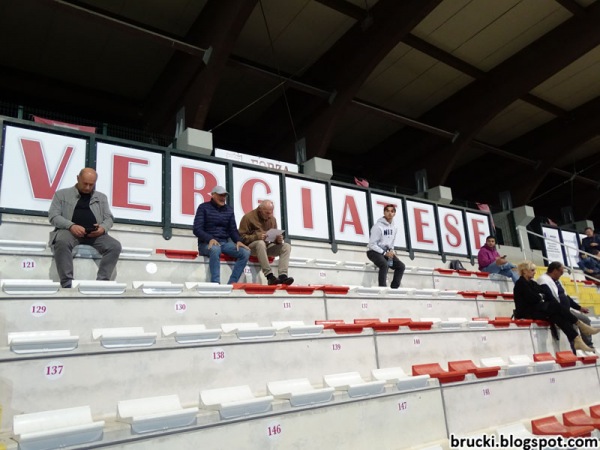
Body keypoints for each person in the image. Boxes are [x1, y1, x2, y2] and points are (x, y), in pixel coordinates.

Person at [48, 167, 122, 288]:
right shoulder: (61, 194)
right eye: (85, 183)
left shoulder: (101, 197)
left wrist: (102, 228)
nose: (88, 187)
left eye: (91, 185)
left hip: (95, 234)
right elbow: (53, 216)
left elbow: (109, 218)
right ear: (78, 178)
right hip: (69, 232)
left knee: (114, 246)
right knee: (61, 241)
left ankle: (102, 283)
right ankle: (67, 283)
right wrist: (71, 225)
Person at [513, 261, 598, 353]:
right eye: (532, 270)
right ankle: (580, 325)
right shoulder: (520, 283)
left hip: (536, 309)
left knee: (557, 316)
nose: (535, 272)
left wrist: (541, 294)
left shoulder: (532, 283)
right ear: (525, 271)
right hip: (526, 312)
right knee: (554, 305)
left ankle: (576, 339)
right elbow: (534, 298)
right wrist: (541, 295)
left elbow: (544, 291)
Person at [193, 185, 250, 284]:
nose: (223, 198)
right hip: (206, 244)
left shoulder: (229, 210)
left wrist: (238, 241)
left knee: (245, 252)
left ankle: (232, 283)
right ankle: (215, 283)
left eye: (224, 195)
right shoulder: (203, 207)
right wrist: (210, 238)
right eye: (220, 195)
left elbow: (232, 229)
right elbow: (197, 229)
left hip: (224, 243)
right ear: (213, 195)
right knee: (215, 249)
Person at [537, 261, 594, 349]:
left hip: (567, 310)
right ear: (555, 270)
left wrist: (579, 308)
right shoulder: (544, 280)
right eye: (561, 272)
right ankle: (575, 349)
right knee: (571, 326)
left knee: (585, 319)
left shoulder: (557, 281)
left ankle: (589, 345)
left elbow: (566, 297)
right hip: (559, 311)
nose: (562, 274)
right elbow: (551, 298)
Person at [238, 200, 293, 286]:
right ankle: (269, 276)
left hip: (267, 246)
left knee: (286, 246)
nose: (269, 215)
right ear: (260, 210)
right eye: (267, 213)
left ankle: (283, 276)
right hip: (251, 247)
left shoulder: (272, 219)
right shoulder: (248, 217)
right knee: (260, 243)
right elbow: (241, 238)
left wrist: (277, 240)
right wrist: (256, 237)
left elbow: (273, 236)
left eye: (271, 213)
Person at [366, 204, 405, 288]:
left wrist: (391, 250)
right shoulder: (377, 226)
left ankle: (394, 288)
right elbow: (372, 244)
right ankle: (382, 288)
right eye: (387, 211)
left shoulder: (394, 228)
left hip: (386, 252)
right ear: (384, 212)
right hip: (373, 252)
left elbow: (391, 243)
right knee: (384, 264)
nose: (390, 213)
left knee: (401, 266)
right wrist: (384, 253)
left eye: (392, 211)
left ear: (394, 213)